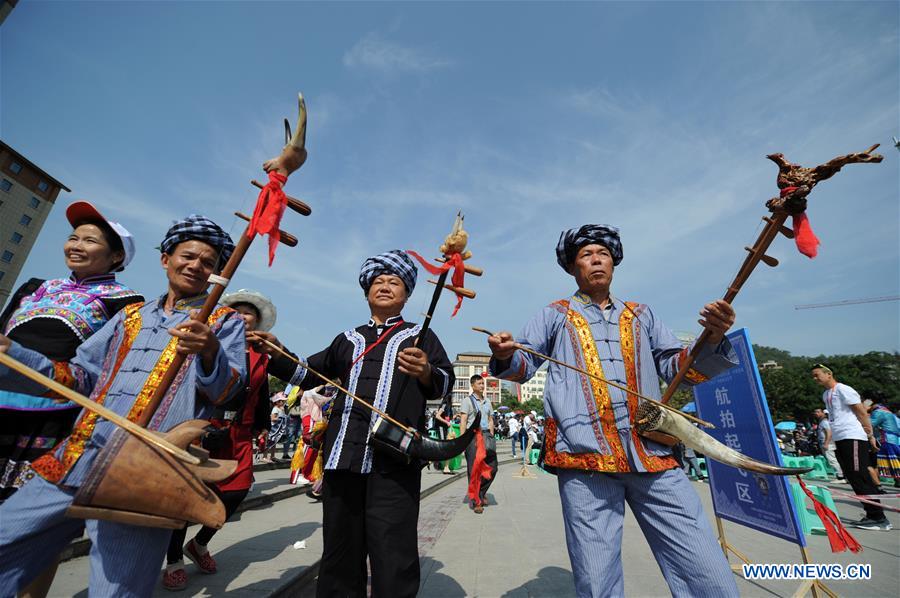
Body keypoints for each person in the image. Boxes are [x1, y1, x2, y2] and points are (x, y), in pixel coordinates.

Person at [486, 224, 740, 597]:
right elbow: (524, 365)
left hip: (651, 452)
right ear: (574, 268)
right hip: (583, 456)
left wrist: (713, 338)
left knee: (700, 557)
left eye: (602, 253)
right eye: (586, 255)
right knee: (595, 572)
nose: (595, 260)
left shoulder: (642, 314)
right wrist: (505, 354)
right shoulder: (555, 314)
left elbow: (678, 370)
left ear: (614, 262)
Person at [0, 215, 247, 596]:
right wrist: (15, 357)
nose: (196, 266)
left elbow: (228, 393)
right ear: (166, 259)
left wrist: (210, 349)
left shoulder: (222, 321)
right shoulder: (129, 316)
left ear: (217, 274)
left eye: (208, 263)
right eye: (188, 256)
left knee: (119, 587)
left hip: (145, 470)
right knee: (7, 539)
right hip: (78, 454)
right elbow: (79, 377)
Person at [288, 250, 454, 597]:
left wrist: (425, 370)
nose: (385, 286)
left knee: (394, 552)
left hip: (393, 462)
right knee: (339, 552)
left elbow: (444, 382)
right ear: (366, 292)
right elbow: (305, 372)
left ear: (406, 294)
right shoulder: (346, 339)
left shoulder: (420, 336)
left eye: (394, 282)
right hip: (341, 460)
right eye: (378, 281)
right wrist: (272, 352)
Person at [0, 201, 141, 502]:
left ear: (116, 256)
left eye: (90, 241)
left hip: (52, 411)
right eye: (74, 237)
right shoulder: (36, 286)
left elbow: (107, 365)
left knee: (16, 502)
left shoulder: (126, 302)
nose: (76, 246)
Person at [162, 289, 301, 590]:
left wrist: (261, 424)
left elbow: (274, 385)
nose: (243, 317)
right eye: (236, 311)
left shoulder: (262, 352)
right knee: (187, 497)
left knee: (236, 493)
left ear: (257, 321)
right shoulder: (212, 343)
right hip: (203, 430)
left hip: (240, 433)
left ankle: (199, 544)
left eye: (249, 313)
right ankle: (173, 559)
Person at [811, 364, 890, 530]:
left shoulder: (843, 389)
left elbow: (861, 411)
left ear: (828, 374)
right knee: (851, 476)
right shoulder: (826, 394)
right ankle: (871, 514)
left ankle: (879, 518)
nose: (815, 378)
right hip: (840, 438)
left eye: (817, 375)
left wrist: (870, 436)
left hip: (853, 436)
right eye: (813, 376)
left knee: (859, 474)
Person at [460, 374, 496, 513]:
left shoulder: (487, 401)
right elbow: (463, 421)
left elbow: (490, 419)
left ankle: (480, 492)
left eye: (483, 383)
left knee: (493, 467)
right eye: (480, 383)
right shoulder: (467, 401)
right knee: (474, 470)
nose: (482, 385)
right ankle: (476, 501)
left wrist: (491, 436)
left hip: (486, 435)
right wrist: (462, 441)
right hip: (473, 437)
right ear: (473, 385)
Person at [867, 401, 900, 488]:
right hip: (893, 439)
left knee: (890, 463)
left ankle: (876, 483)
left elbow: (869, 424)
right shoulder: (888, 412)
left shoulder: (878, 412)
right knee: (886, 463)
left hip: (887, 440)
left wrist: (862, 415)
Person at [812, 408, 844, 482]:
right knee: (831, 460)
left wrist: (826, 443)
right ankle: (840, 475)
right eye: (815, 412)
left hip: (828, 443)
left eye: (818, 412)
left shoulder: (824, 422)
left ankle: (840, 477)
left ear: (823, 413)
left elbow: (829, 433)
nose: (816, 413)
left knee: (832, 460)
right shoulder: (821, 422)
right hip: (824, 443)